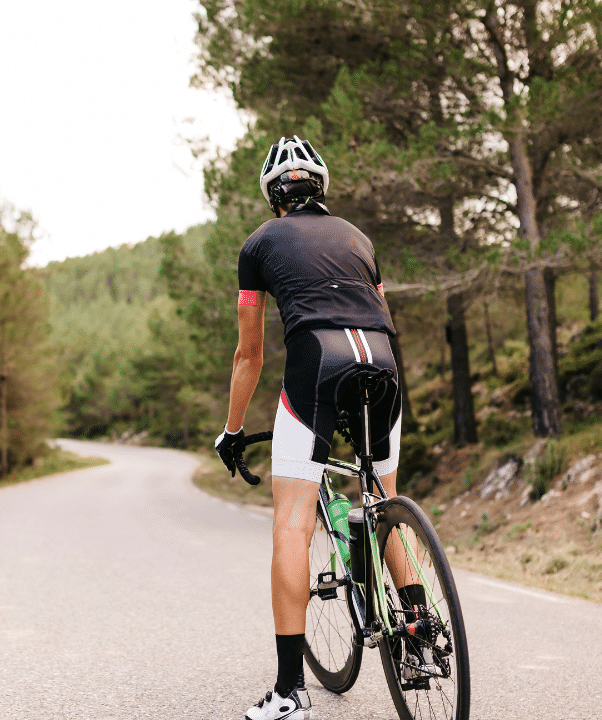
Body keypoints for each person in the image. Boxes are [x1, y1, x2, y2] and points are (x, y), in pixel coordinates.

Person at [214, 136, 407, 720]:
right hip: (383, 364)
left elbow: (251, 352)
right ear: (319, 187)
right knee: (386, 501)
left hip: (315, 366)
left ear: (275, 195)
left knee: (293, 522)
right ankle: (421, 627)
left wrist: (232, 430)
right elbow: (379, 314)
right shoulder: (359, 239)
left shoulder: (259, 244)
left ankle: (289, 692)